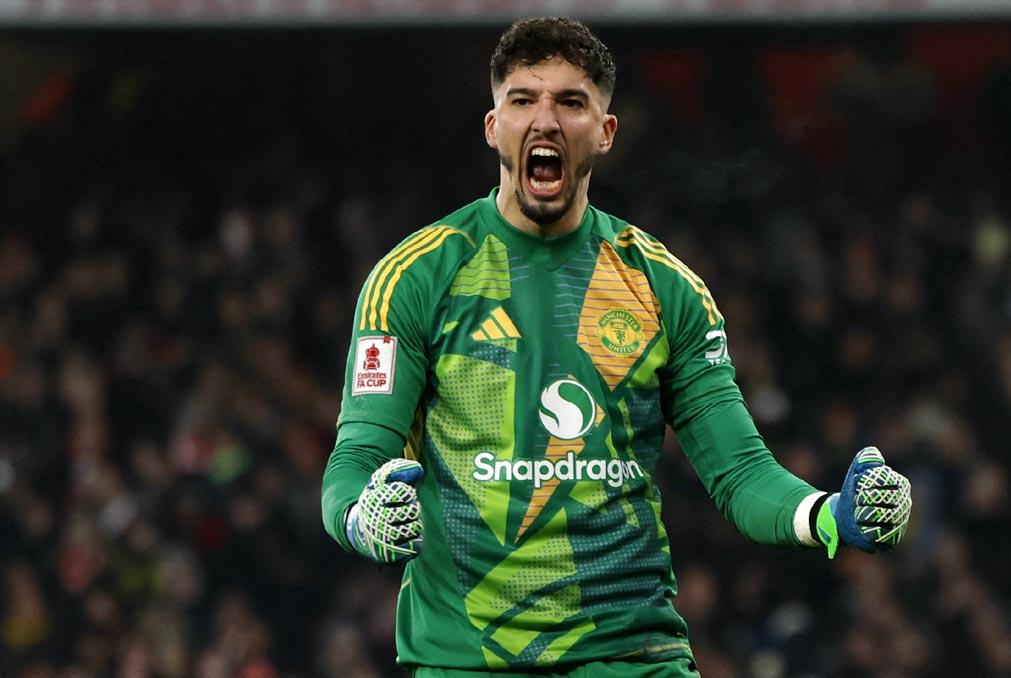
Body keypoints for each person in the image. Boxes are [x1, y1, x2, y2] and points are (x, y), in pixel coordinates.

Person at [320, 16, 912, 678]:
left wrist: (830, 515)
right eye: (522, 100)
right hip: (468, 661)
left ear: (604, 134)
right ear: (494, 128)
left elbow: (742, 475)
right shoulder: (415, 277)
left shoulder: (665, 288)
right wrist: (362, 516)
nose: (544, 119)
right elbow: (356, 459)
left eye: (570, 101)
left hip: (630, 657)